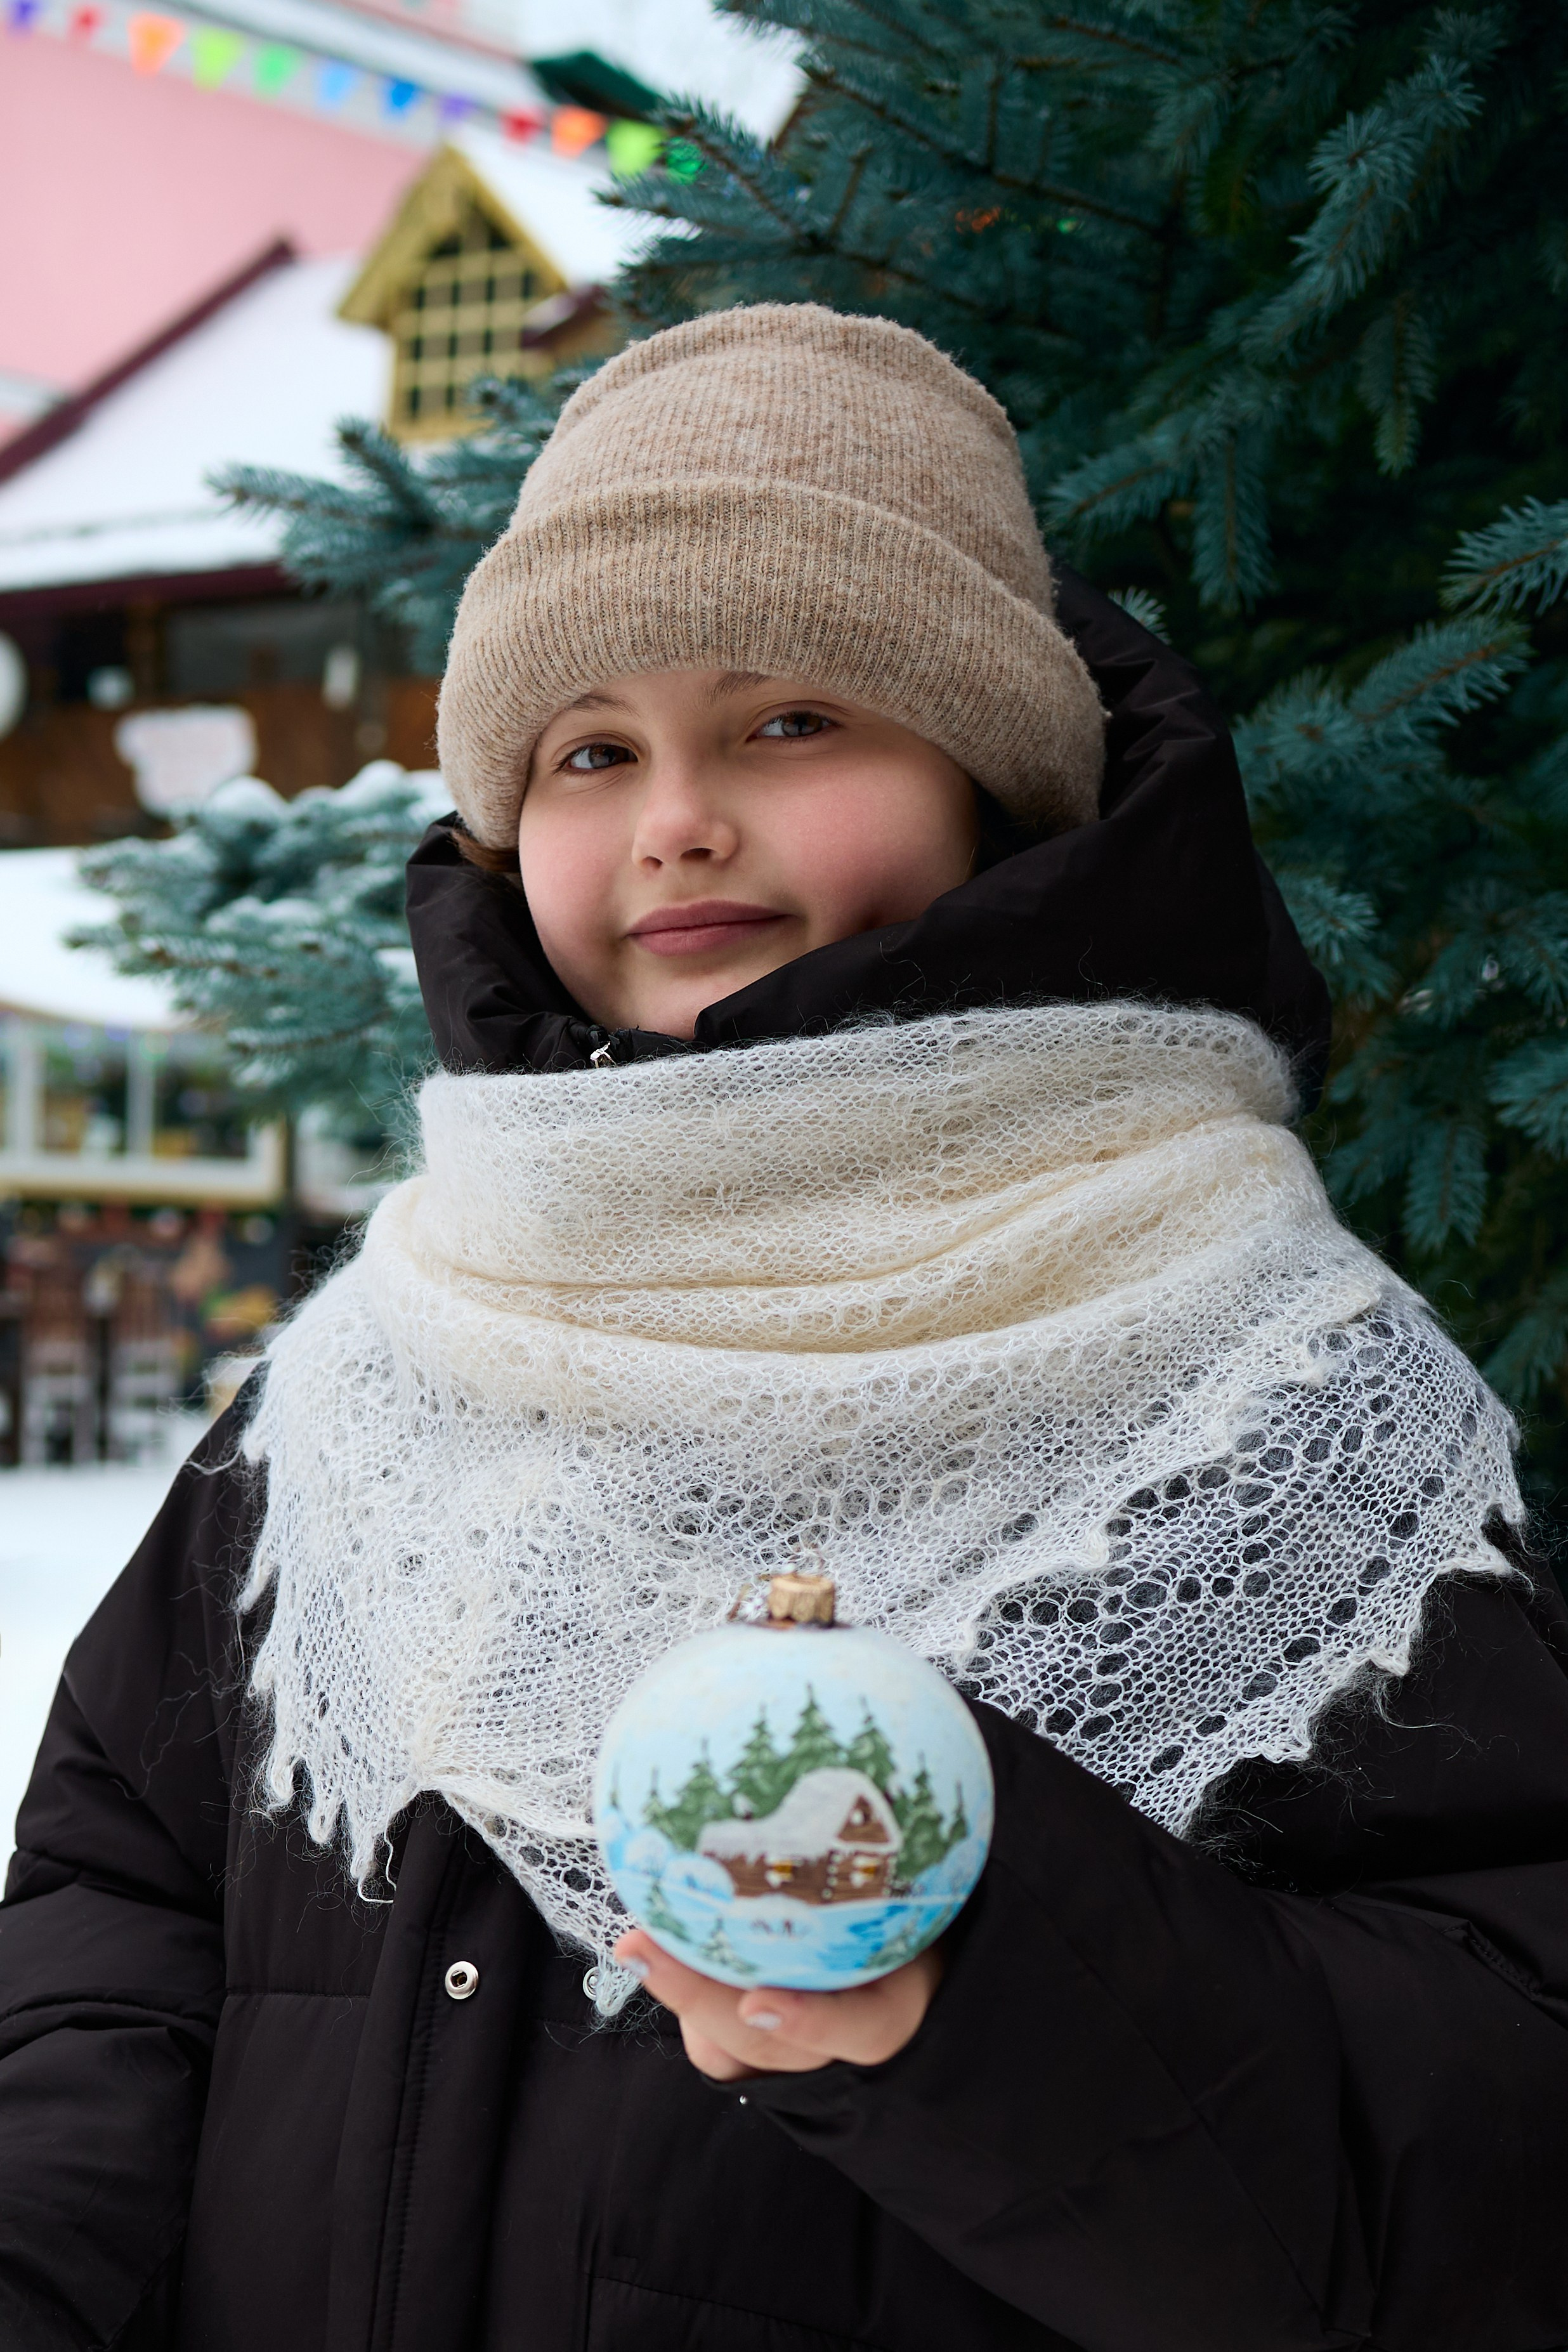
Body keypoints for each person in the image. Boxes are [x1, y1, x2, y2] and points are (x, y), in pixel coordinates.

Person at [2, 305, 1565, 2352]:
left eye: (791, 721)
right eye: (590, 750)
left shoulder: (1291, 1406)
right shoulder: (371, 1369)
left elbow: (1488, 2158)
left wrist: (987, 1991)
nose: (676, 817)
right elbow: (125, 1892)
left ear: (985, 772)